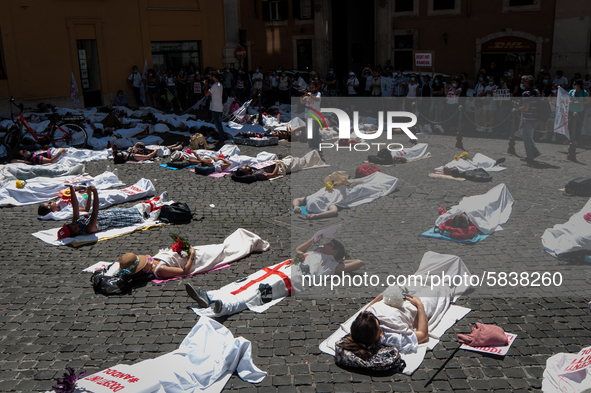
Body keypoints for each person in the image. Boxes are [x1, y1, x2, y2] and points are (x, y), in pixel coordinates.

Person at [185, 234, 364, 315]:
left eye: (329, 244)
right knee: (246, 281)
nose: (325, 244)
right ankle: (209, 296)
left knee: (257, 291)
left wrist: (340, 259)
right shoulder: (316, 252)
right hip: (281, 267)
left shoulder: (331, 265)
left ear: (335, 251)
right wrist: (313, 240)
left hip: (290, 279)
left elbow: (359, 263)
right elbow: (298, 250)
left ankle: (225, 307)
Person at [56, 185, 168, 239]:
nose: (75, 224)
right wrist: (94, 192)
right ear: (77, 233)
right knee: (141, 213)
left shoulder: (78, 221)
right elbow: (95, 211)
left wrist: (71, 188)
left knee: (137, 207)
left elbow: (75, 206)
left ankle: (157, 201)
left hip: (113, 212)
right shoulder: (88, 228)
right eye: (74, 228)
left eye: (72, 225)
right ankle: (160, 204)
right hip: (118, 219)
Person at [516, 75, 541, 165]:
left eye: (522, 82)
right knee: (527, 135)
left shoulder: (526, 93)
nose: (521, 84)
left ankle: (530, 156)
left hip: (529, 118)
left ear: (527, 83)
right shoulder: (537, 92)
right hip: (536, 117)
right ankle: (535, 150)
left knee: (526, 137)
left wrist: (518, 108)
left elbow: (526, 108)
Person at [204, 72, 225, 149]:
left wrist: (206, 86)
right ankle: (221, 139)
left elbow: (206, 94)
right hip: (219, 107)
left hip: (215, 108)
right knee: (219, 125)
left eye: (211, 76)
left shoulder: (214, 86)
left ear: (214, 77)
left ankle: (222, 140)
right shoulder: (220, 85)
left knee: (218, 125)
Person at [113, 142, 182, 164]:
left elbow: (133, 147)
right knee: (164, 150)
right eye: (122, 154)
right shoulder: (134, 156)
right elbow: (148, 157)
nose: (123, 152)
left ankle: (174, 145)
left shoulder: (128, 152)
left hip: (147, 148)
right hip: (151, 152)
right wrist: (155, 151)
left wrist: (136, 144)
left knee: (161, 146)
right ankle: (177, 147)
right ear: (124, 158)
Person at [301, 81, 322, 154]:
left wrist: (309, 95)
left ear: (316, 88)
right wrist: (302, 96)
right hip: (308, 116)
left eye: (312, 87)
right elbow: (302, 102)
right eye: (310, 87)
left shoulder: (318, 94)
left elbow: (317, 99)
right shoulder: (308, 94)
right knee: (310, 133)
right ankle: (312, 149)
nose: (311, 89)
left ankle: (318, 148)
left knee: (316, 133)